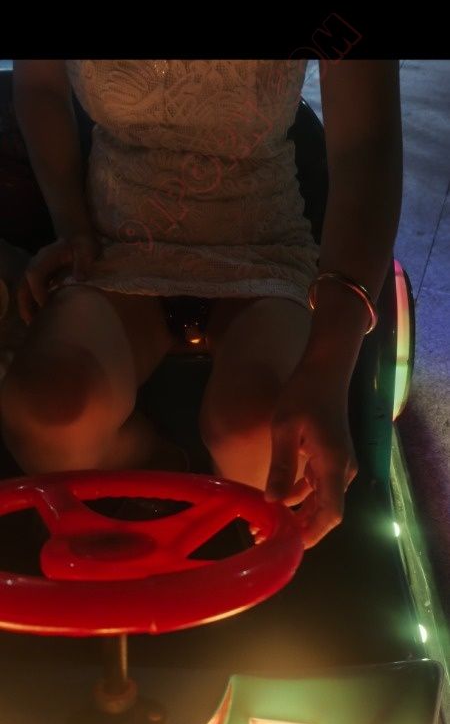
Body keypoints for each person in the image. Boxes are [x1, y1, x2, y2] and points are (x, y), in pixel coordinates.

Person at [0, 60, 402, 548]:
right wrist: (71, 227)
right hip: (114, 245)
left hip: (265, 247)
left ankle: (213, 523)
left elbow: (367, 143)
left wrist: (328, 370)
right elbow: (39, 84)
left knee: (263, 442)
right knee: (47, 415)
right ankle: (154, 462)